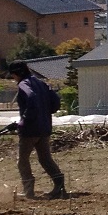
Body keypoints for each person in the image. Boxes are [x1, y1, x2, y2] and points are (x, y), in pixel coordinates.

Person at [7, 61, 66, 199]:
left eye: (13, 75)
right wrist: (45, 112)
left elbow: (31, 97)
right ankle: (60, 187)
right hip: (45, 128)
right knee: (45, 159)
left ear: (17, 73)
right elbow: (56, 101)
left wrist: (25, 120)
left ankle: (29, 191)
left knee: (22, 160)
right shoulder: (42, 83)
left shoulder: (24, 84)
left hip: (30, 130)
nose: (13, 78)